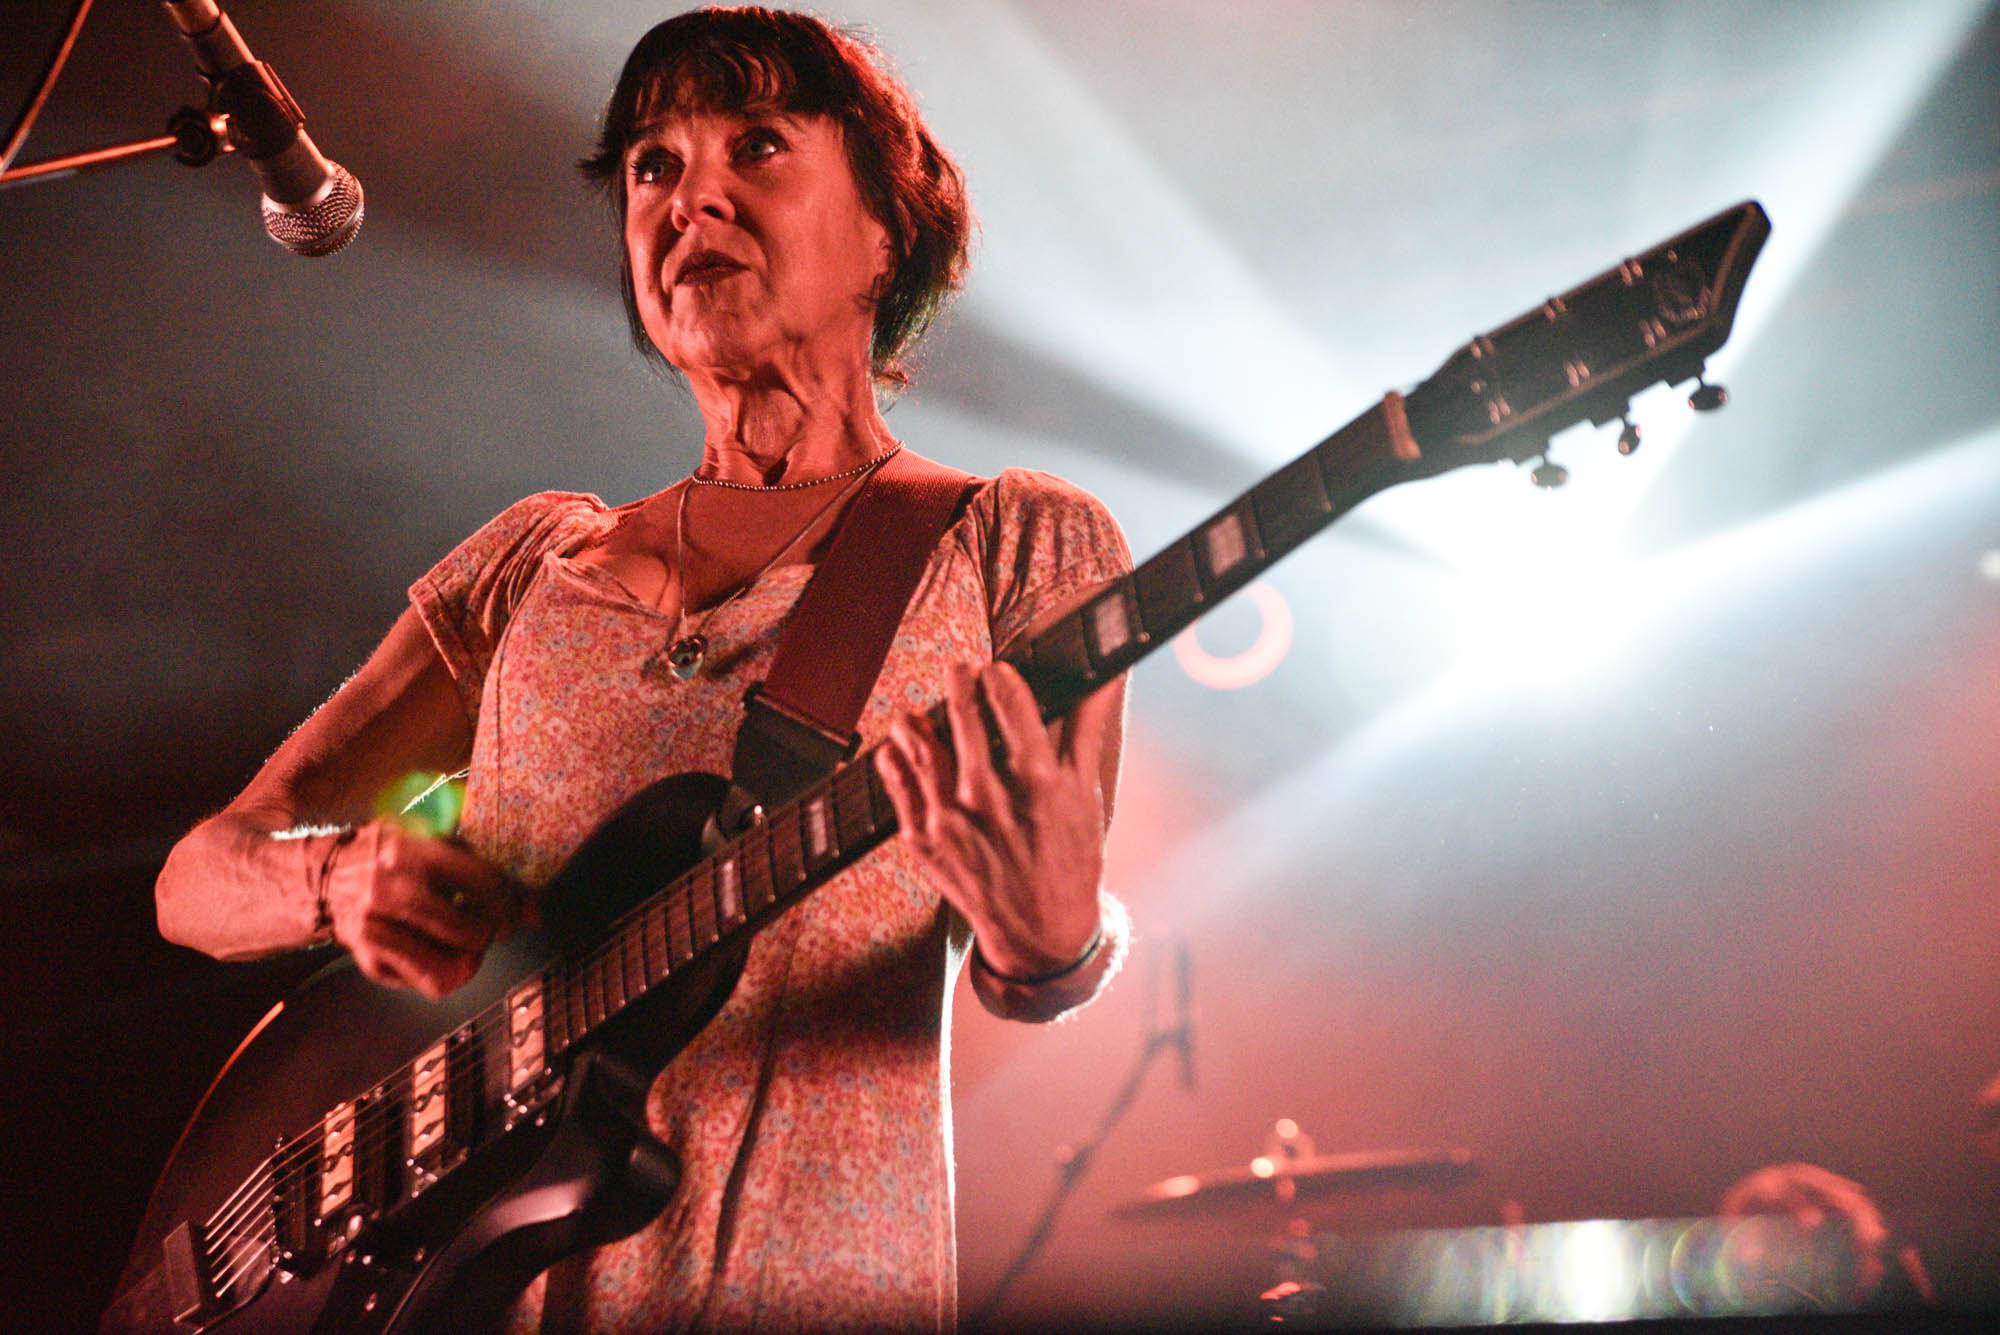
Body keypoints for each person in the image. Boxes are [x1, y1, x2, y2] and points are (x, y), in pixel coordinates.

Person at [152, 8, 1132, 1331]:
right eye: (653, 165)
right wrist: (334, 880)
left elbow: (1046, 949)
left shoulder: (1013, 542)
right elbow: (194, 884)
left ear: (886, 231)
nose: (691, 197)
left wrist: (1059, 938)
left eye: (758, 145)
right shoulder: (534, 560)